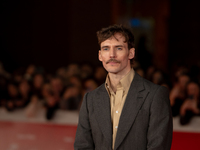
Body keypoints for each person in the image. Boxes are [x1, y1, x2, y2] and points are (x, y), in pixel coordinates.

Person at [74, 24, 173, 150]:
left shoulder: (155, 95)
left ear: (131, 53)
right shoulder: (90, 99)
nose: (112, 55)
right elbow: (82, 146)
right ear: (100, 55)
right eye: (106, 49)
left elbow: (158, 147)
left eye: (119, 48)